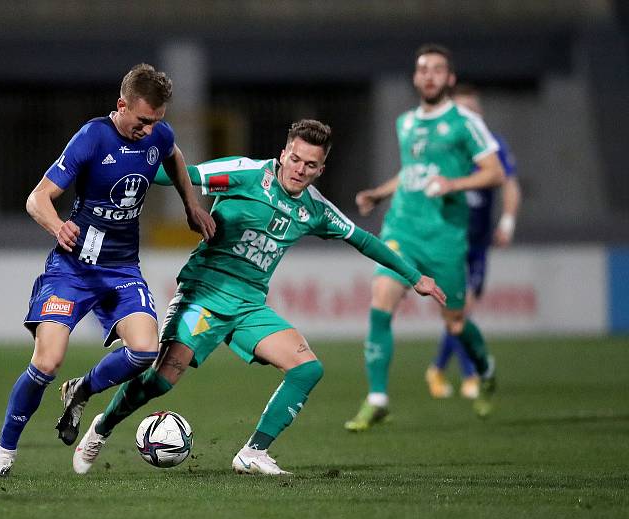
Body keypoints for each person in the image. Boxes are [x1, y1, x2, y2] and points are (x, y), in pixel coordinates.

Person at [62, 119, 446, 477]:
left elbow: (363, 240)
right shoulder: (245, 173)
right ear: (283, 154)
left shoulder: (315, 209)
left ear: (320, 170)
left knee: (308, 369)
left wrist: (414, 278)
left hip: (249, 306)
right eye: (295, 159)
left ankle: (253, 453)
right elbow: (181, 174)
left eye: (310, 165)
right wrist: (116, 172)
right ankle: (101, 427)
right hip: (204, 295)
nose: (300, 169)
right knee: (161, 379)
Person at [0, 63, 216, 477]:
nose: (149, 130)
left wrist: (191, 205)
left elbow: (175, 156)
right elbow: (37, 199)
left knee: (145, 351)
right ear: (121, 105)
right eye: (143, 120)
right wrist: (57, 226)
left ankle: (82, 389)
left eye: (157, 122)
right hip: (72, 270)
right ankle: (4, 450)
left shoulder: (158, 134)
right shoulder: (92, 137)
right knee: (48, 361)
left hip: (122, 268)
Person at [344, 44, 506, 432]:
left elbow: (495, 172)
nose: (429, 75)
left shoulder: (465, 122)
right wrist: (379, 193)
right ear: (416, 77)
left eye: (437, 69)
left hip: (445, 237)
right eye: (422, 69)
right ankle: (378, 398)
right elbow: (412, 172)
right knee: (381, 301)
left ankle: (485, 370)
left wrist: (454, 183)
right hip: (403, 229)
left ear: (449, 78)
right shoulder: (406, 123)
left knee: (454, 323)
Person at [425, 84, 522, 400]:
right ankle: (469, 376)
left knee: (459, 313)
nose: (470, 116)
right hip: (450, 242)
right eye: (464, 111)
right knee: (461, 310)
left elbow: (509, 185)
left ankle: (438, 369)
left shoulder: (493, 148)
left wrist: (507, 220)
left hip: (478, 244)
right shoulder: (444, 147)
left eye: (474, 111)